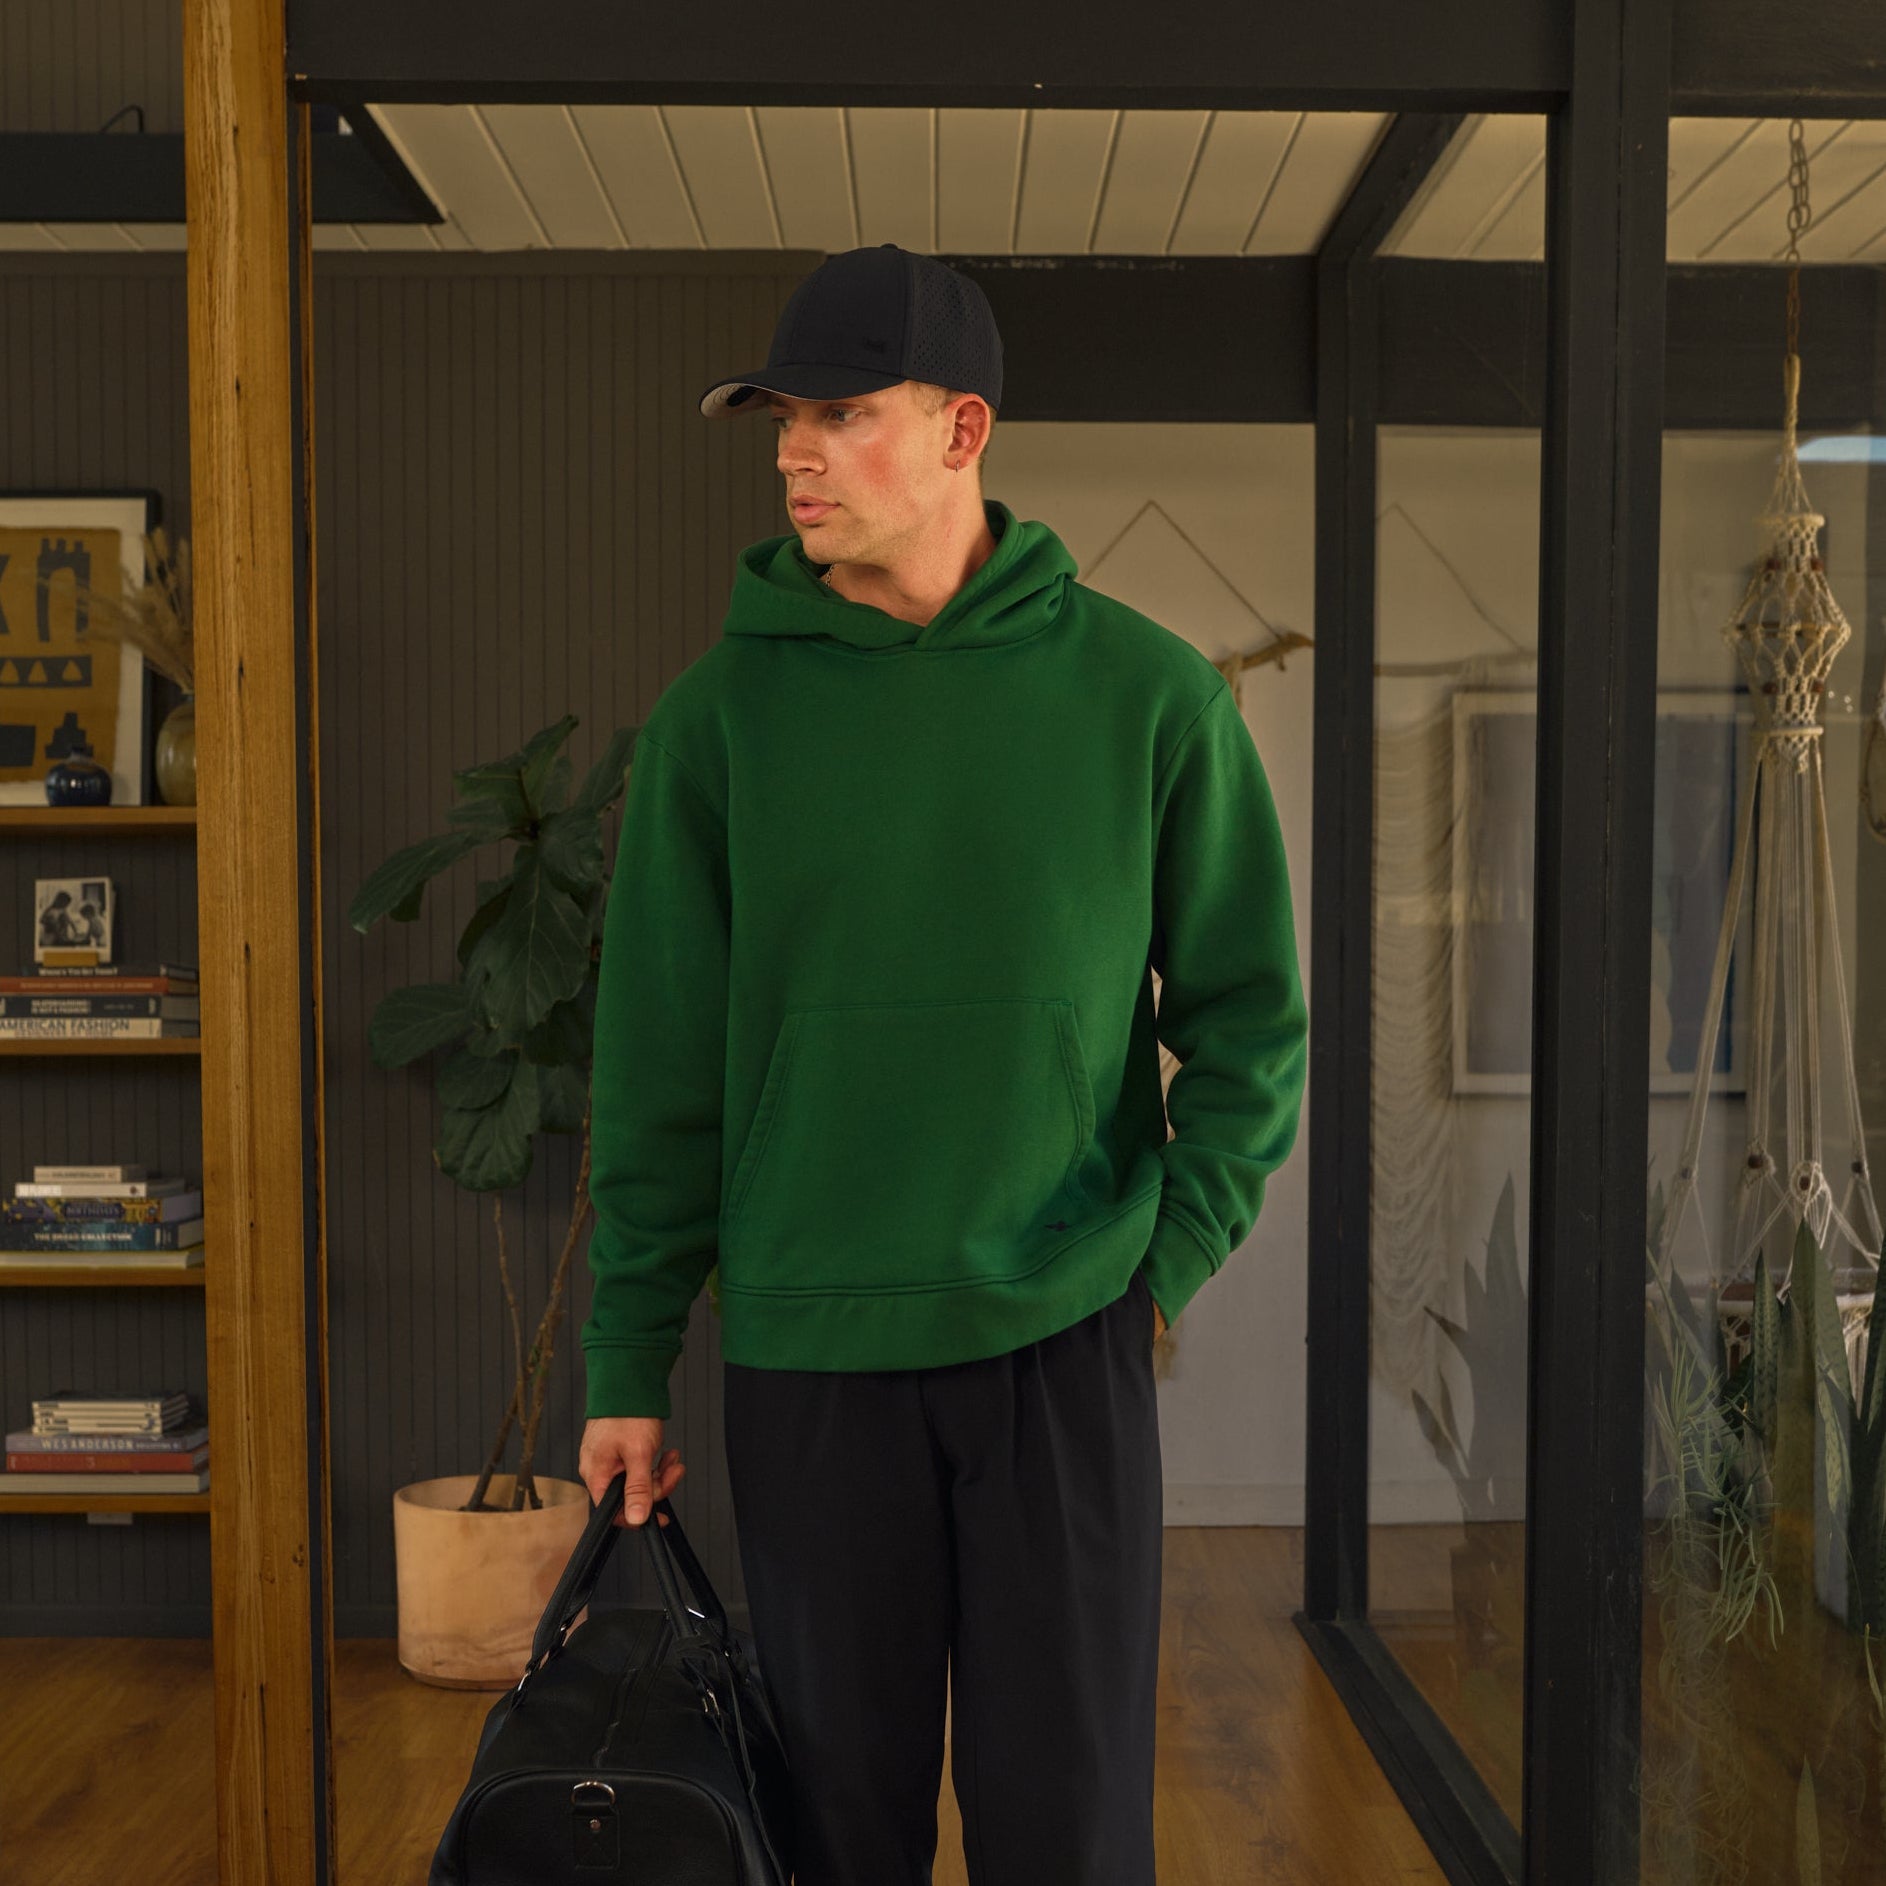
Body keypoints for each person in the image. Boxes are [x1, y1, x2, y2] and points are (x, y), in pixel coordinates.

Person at [576, 243, 1308, 1885]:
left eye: (840, 413)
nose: (793, 452)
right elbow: (657, 1062)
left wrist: (1159, 1261)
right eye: (781, 418)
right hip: (811, 1348)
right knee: (840, 1828)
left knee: (1069, 1823)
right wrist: (626, 1350)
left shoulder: (1150, 698)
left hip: (1063, 1338)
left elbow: (1253, 1022)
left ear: (964, 428)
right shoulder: (718, 724)